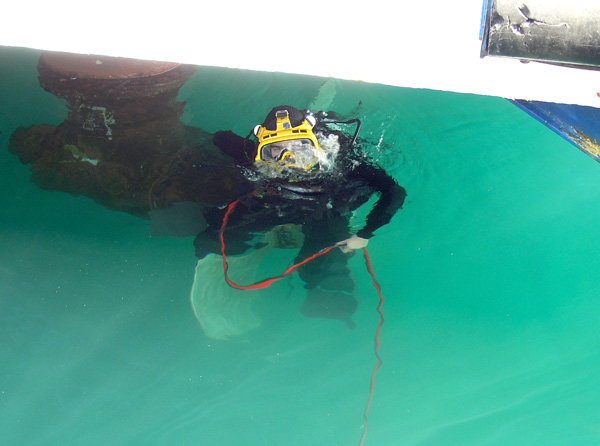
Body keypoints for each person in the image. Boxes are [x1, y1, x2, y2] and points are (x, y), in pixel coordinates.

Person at [194, 105, 406, 328]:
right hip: (278, 203)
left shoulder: (341, 162)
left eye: (298, 147)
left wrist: (365, 234)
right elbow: (220, 138)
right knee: (212, 237)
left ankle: (330, 299)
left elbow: (394, 192)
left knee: (327, 254)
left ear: (312, 143)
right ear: (262, 148)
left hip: (324, 208)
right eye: (276, 149)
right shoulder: (254, 158)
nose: (288, 158)